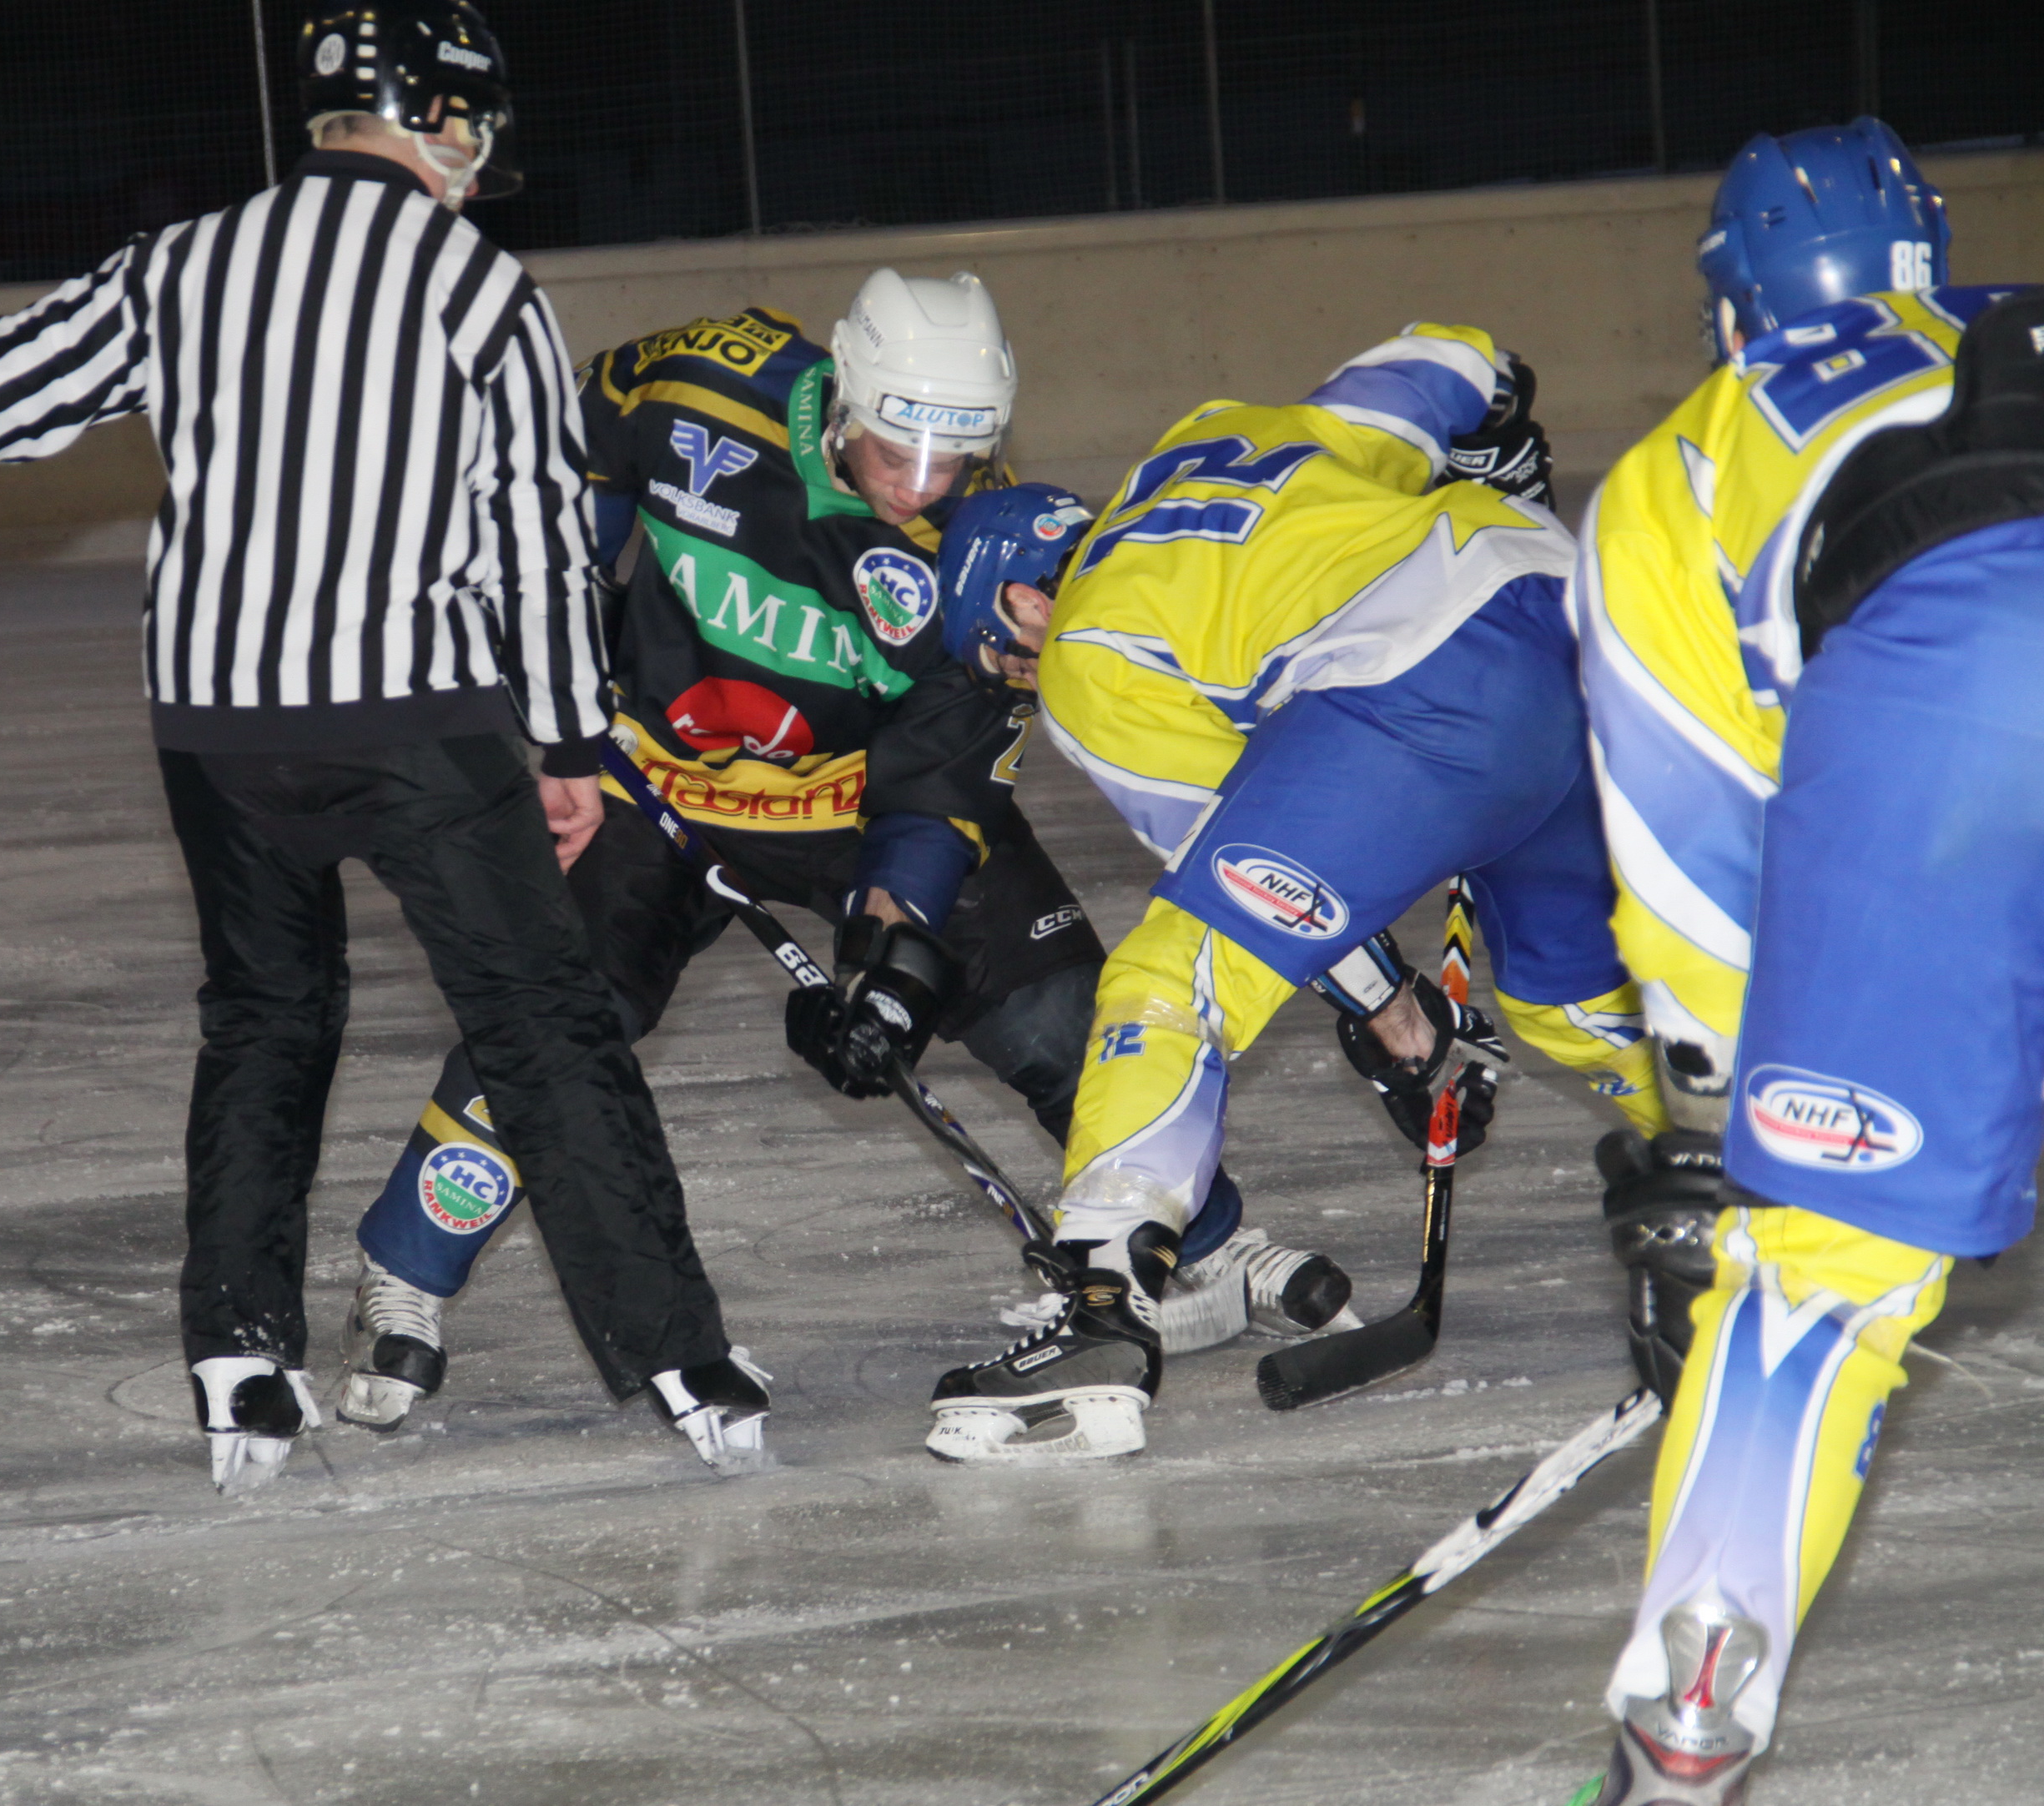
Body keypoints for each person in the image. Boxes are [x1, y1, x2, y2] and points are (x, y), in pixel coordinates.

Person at [0, 2, 769, 1492]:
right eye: (474, 127)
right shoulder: (479, 286)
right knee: (542, 1022)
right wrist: (568, 736)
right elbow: (540, 542)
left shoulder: (185, 262)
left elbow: (7, 377)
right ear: (439, 118)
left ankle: (239, 1358)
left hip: (219, 720)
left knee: (266, 1018)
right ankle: (681, 1359)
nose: (478, 158)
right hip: (413, 711)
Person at [335, 270, 1356, 1432]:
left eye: (953, 458)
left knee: (1057, 1010)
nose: (919, 483)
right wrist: (560, 642)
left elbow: (939, 780)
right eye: (897, 448)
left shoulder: (994, 557)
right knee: (553, 1018)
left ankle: (1193, 1241)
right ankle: (403, 1273)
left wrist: (889, 966)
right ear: (847, 397)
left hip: (851, 801)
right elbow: (567, 456)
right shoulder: (705, 384)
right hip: (648, 774)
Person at [922, 330, 1671, 1463]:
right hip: (1584, 617)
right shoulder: (1213, 437)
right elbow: (1449, 361)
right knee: (1575, 999)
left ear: (1026, 604)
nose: (1027, 679)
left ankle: (1104, 1308)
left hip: (1429, 694)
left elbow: (1256, 871)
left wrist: (1400, 1024)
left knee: (1174, 974)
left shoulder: (1085, 644)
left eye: (1006, 659)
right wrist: (1505, 427)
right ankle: (1792, 1170)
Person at [1563, 118, 2036, 1803]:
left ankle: (1693, 1698)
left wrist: (1720, 1119)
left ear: (1728, 308)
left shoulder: (1688, 456)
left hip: (1956, 687)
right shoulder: (2009, 320)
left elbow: (1688, 841)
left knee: (1820, 1277)